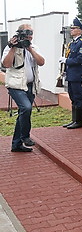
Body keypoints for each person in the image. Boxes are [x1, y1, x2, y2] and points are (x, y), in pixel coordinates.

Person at [1, 24, 45, 152]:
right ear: (19, 34)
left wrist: (30, 49)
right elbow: (7, 64)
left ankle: (16, 144)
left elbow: (41, 62)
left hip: (30, 86)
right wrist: (13, 48)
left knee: (24, 112)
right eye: (26, 34)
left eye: (31, 34)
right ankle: (25, 137)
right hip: (16, 85)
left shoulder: (33, 47)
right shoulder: (10, 48)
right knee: (26, 108)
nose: (29, 36)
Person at [59, 17, 82, 129]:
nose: (71, 30)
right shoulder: (71, 44)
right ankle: (74, 119)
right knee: (72, 97)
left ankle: (79, 121)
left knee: (78, 97)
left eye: (74, 28)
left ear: (80, 30)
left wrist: (67, 61)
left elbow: (79, 60)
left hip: (76, 74)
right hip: (70, 74)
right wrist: (64, 70)